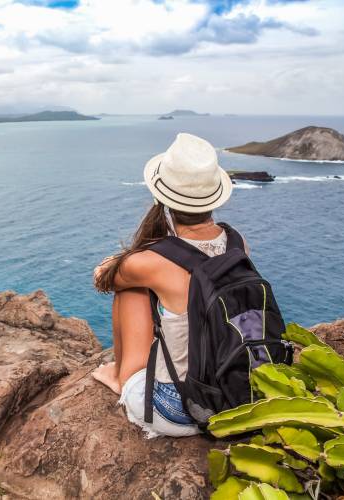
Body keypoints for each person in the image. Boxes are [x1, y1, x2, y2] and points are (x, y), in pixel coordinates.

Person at [92, 132, 247, 438]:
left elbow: (103, 278)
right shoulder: (238, 243)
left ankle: (120, 376)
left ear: (164, 198)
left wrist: (126, 262)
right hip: (230, 398)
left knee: (131, 288)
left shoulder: (151, 263)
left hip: (178, 410)